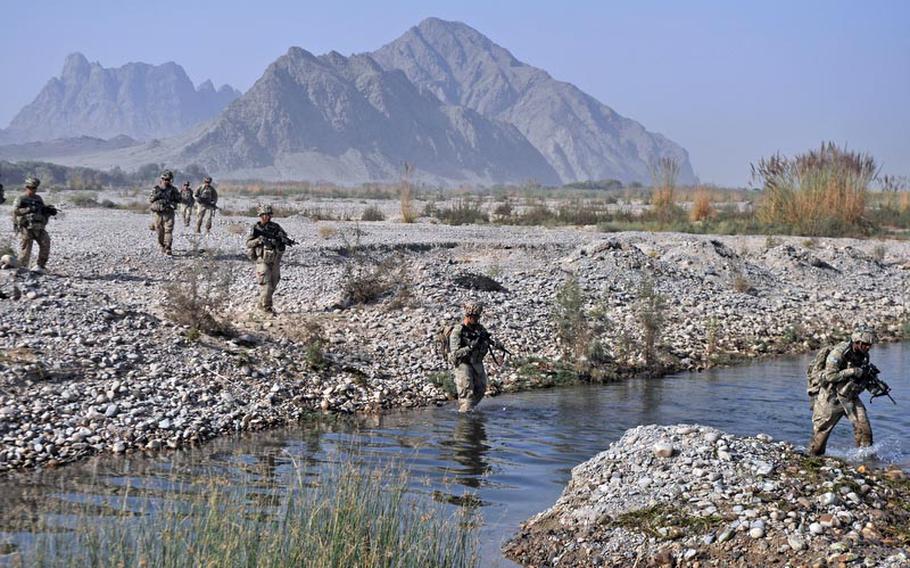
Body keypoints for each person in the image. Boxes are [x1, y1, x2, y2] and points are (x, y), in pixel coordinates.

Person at [807, 327, 876, 456]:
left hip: (850, 395)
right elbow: (830, 376)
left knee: (864, 430)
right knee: (820, 436)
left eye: (870, 345)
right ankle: (813, 459)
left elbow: (862, 375)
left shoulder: (864, 355)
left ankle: (865, 462)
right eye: (865, 344)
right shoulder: (838, 353)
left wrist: (873, 385)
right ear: (857, 342)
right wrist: (852, 371)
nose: (868, 347)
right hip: (831, 396)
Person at [448, 302, 506, 413]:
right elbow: (455, 353)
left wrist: (497, 345)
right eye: (475, 317)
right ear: (468, 316)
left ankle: (468, 409)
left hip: (476, 362)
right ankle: (465, 415)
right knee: (466, 391)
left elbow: (488, 340)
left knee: (481, 389)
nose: (477, 319)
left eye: (478, 317)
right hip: (463, 363)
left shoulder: (479, 328)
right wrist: (470, 347)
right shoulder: (458, 331)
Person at [245, 204, 294, 314]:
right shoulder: (255, 228)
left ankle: (261, 304)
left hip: (275, 260)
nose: (267, 217)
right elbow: (248, 243)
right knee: (266, 285)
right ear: (260, 216)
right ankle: (267, 308)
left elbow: (283, 237)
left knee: (274, 283)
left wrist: (281, 240)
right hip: (262, 260)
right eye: (265, 215)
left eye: (269, 215)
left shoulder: (276, 227)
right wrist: (259, 240)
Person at [12, 177, 56, 272]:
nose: (33, 190)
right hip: (26, 227)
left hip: (39, 227)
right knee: (26, 249)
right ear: (27, 187)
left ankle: (40, 266)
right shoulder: (21, 198)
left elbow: (42, 209)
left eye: (35, 188)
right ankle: (22, 268)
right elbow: (15, 211)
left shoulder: (38, 198)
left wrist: (48, 211)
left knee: (46, 243)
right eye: (31, 188)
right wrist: (28, 209)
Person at [148, 170, 180, 255]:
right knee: (159, 231)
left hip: (169, 212)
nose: (167, 181)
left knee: (168, 230)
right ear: (162, 179)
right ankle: (162, 245)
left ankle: (168, 246)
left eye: (169, 180)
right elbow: (150, 199)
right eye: (165, 179)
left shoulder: (173, 190)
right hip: (158, 213)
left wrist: (173, 203)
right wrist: (157, 195)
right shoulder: (156, 189)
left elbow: (179, 199)